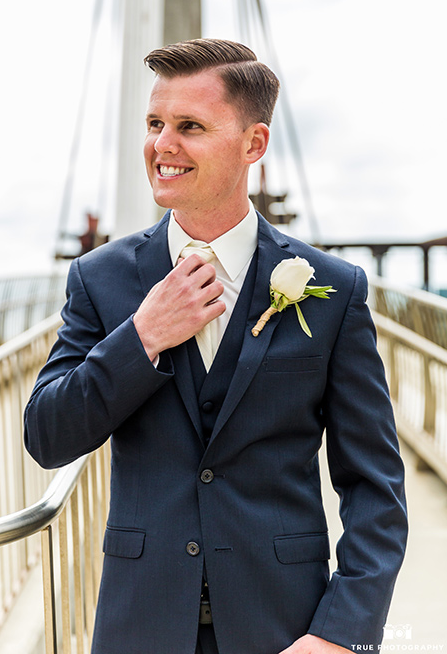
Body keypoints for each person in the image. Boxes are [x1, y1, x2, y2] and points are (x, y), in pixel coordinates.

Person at [24, 39, 407, 654]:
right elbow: (47, 436)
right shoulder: (99, 280)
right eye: (155, 124)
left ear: (253, 144)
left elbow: (375, 485)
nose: (162, 146)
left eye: (190, 126)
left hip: (288, 627)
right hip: (139, 625)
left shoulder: (334, 289)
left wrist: (343, 635)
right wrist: (142, 336)